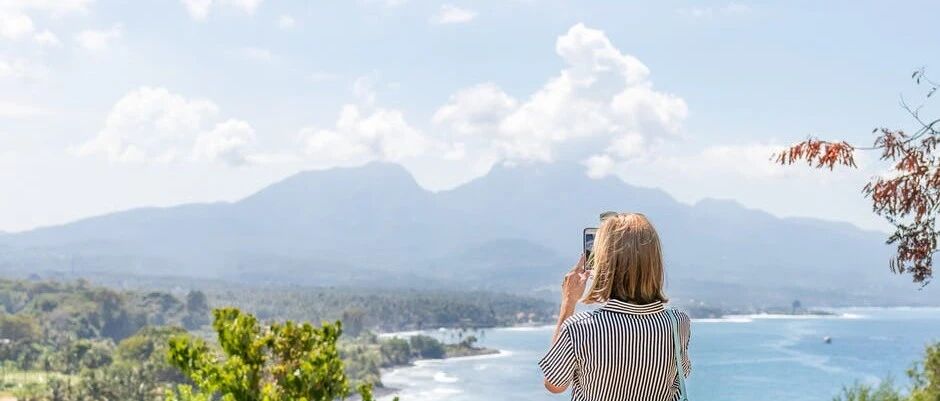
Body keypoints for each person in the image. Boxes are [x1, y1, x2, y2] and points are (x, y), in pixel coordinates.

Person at [539, 213, 691, 401]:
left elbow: (554, 384)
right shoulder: (678, 324)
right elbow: (681, 374)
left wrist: (568, 302)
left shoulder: (579, 328)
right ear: (654, 262)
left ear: (604, 263)